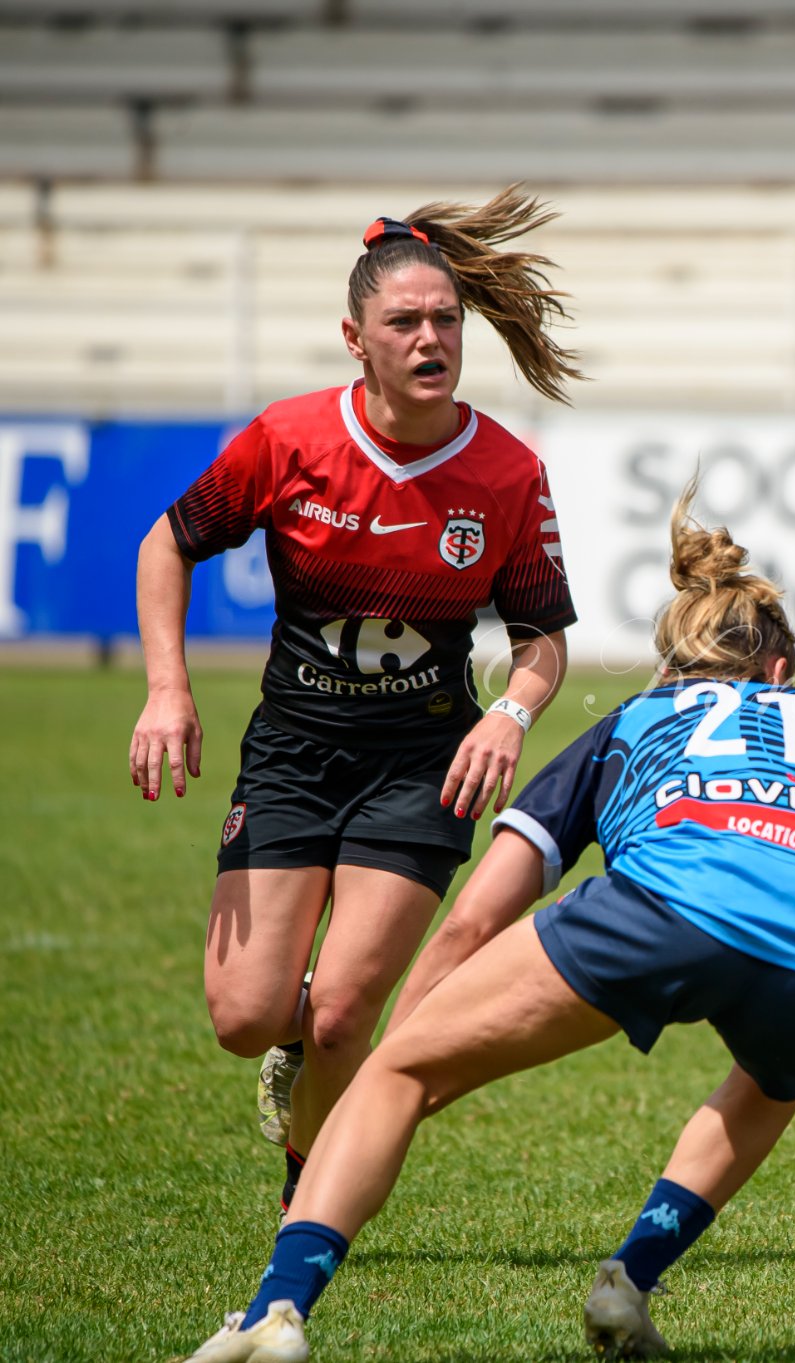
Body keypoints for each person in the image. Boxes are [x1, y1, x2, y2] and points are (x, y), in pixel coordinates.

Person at [178, 492, 795, 1362]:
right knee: (770, 1083)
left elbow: (477, 919)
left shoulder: (634, 721)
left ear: (668, 669)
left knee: (402, 1074)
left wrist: (395, 1055)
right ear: (782, 672)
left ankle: (276, 1312)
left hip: (663, 911)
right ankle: (629, 1279)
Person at [129, 189, 582, 1214]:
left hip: (423, 763)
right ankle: (284, 1055)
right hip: (291, 751)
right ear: (355, 339)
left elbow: (542, 638)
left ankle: (305, 1199)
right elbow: (170, 541)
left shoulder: (507, 473)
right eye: (405, 324)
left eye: (446, 322)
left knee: (343, 1014)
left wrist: (510, 712)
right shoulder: (286, 441)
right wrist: (168, 689)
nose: (432, 340)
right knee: (248, 1015)